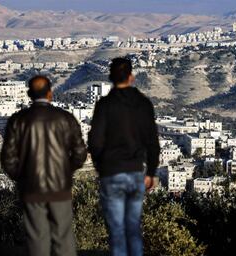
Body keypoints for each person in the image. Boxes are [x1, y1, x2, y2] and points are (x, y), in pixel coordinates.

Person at [0, 75, 87, 256]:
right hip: (60, 187)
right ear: (50, 94)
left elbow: (7, 159)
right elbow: (80, 154)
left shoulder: (18, 120)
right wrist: (65, 171)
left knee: (37, 239)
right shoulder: (66, 118)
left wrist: (23, 177)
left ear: (29, 94)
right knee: (63, 238)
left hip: (31, 188)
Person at [88, 58, 160, 256]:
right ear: (131, 77)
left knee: (117, 232)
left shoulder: (104, 105)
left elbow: (94, 142)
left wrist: (101, 168)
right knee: (133, 229)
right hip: (136, 172)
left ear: (111, 78)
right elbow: (152, 142)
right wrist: (151, 172)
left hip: (111, 172)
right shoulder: (143, 104)